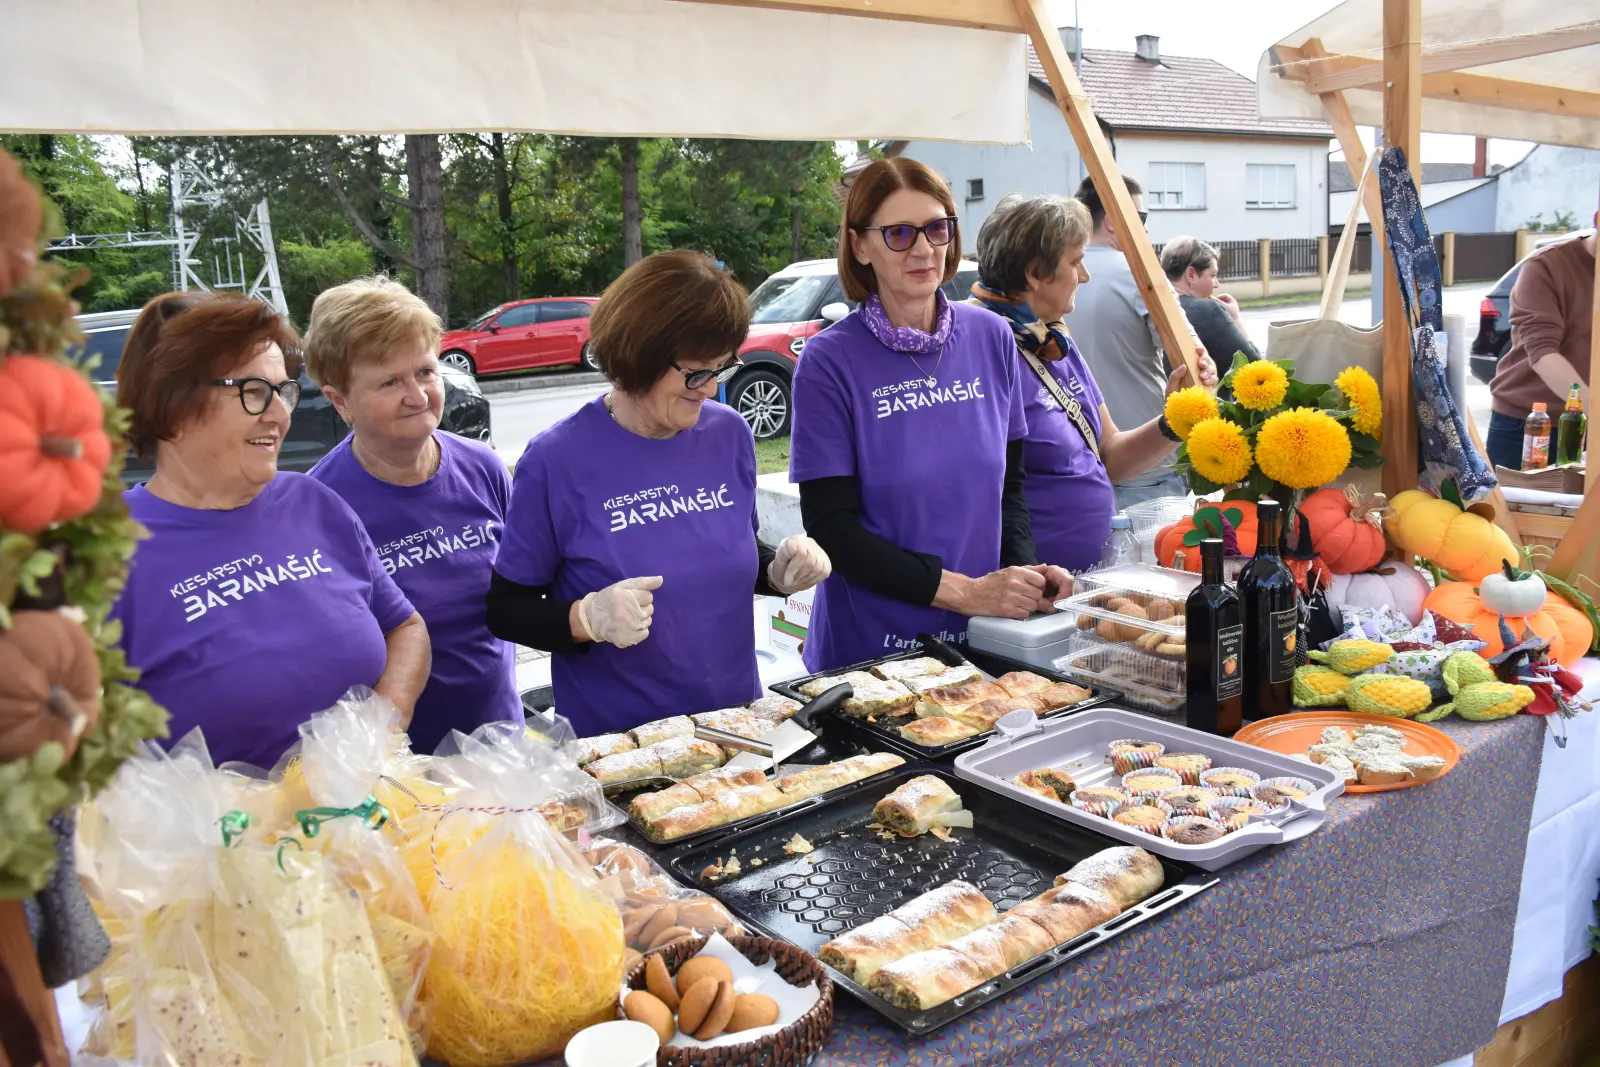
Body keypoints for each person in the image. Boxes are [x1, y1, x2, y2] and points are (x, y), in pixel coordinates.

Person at [485, 250, 831, 735]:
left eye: (721, 368)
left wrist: (777, 571)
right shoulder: (556, 460)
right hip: (620, 746)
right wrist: (587, 617)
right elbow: (507, 610)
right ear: (638, 355)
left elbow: (724, 550)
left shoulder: (728, 434)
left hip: (735, 726)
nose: (709, 390)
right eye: (695, 373)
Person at [111, 292, 431, 768]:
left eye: (282, 391)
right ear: (172, 402)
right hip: (221, 840)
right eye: (253, 391)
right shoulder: (102, 555)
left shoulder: (313, 502)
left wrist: (380, 726)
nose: (280, 414)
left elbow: (405, 627)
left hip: (366, 822)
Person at [789, 158, 1073, 672]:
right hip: (873, 654)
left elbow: (1010, 488)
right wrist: (966, 593)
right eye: (898, 233)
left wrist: (1023, 577)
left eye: (936, 228)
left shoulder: (990, 337)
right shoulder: (828, 362)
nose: (923, 249)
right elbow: (833, 529)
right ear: (859, 245)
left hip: (985, 638)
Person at [304, 277, 520, 754]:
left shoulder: (482, 467)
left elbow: (525, 591)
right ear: (340, 400)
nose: (418, 396)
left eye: (425, 371)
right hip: (399, 771)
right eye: (389, 382)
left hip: (503, 746)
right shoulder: (321, 506)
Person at [970, 195, 1218, 572]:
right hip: (1034, 591)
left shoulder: (1052, 342)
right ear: (1035, 273)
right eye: (1075, 262)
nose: (1084, 275)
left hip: (1089, 580)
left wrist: (1175, 419)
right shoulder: (985, 350)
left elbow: (1112, 457)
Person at [1064, 175, 1208, 511]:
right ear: (1113, 221)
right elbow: (1193, 357)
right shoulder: (1138, 274)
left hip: (1078, 468)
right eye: (1141, 219)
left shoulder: (1055, 275)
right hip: (1147, 466)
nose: (1144, 230)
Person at [1485, 215, 1595, 471]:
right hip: (1533, 424)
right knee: (1514, 511)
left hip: (1591, 429)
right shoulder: (1547, 266)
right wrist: (1595, 408)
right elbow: (1544, 354)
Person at [1160, 236, 1261, 370]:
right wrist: (1235, 317)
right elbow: (1254, 366)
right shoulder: (1208, 310)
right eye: (1212, 276)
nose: (1217, 284)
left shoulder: (1152, 307)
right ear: (1191, 275)